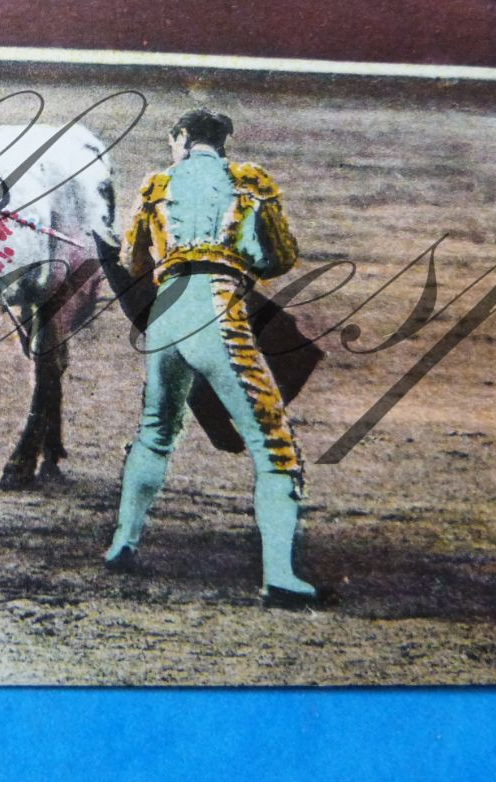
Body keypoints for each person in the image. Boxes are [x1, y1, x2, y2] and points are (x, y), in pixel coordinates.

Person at [104, 109, 330, 609]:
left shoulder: (156, 184)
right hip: (217, 306)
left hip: (167, 310)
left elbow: (133, 262)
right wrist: (241, 262)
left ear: (180, 139)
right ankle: (279, 576)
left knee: (156, 429)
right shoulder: (251, 181)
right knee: (273, 444)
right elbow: (282, 257)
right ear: (222, 142)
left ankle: (124, 541)